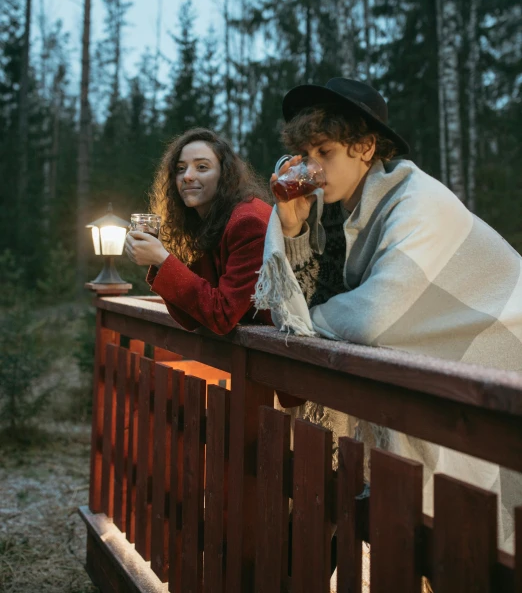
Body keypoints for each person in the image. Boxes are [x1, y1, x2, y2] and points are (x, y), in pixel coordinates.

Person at [254, 76, 522, 552]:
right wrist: (293, 229)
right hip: (463, 383)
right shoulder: (339, 212)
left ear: (365, 146)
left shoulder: (417, 202)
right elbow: (311, 295)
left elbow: (374, 318)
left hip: (506, 356)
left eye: (325, 151)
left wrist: (303, 321)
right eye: (306, 155)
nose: (312, 168)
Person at [125, 127, 272, 335]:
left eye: (202, 167)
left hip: (287, 353)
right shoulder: (212, 220)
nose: (187, 176)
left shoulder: (247, 223)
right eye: (180, 168)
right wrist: (158, 261)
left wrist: (161, 259)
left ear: (225, 174)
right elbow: (194, 316)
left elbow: (222, 315)